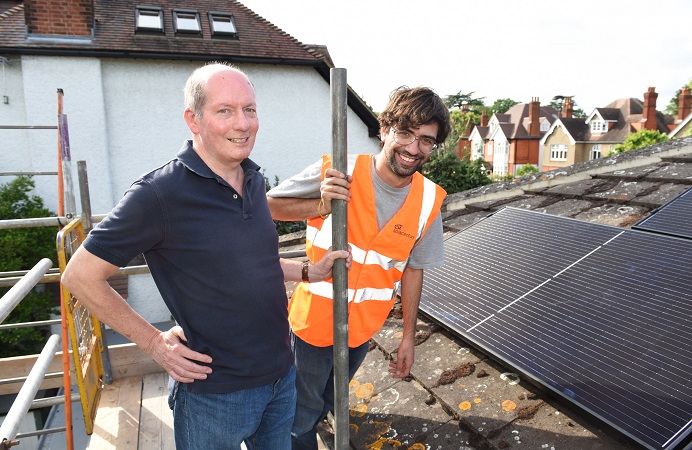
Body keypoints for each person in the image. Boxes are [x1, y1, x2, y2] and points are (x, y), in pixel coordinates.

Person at [61, 62, 350, 450]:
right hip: (214, 395)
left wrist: (306, 271)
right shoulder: (158, 195)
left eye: (249, 109)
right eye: (225, 111)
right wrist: (153, 343)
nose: (243, 123)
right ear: (193, 120)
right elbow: (78, 276)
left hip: (281, 377)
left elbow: (248, 263)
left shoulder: (253, 179)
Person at [266, 86, 451, 449]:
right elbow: (267, 205)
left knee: (327, 404)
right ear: (384, 130)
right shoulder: (340, 169)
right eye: (405, 133)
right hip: (311, 328)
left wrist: (408, 335)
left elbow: (414, 270)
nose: (414, 149)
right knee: (297, 418)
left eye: (426, 140)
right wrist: (319, 205)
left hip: (359, 333)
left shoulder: (429, 200)